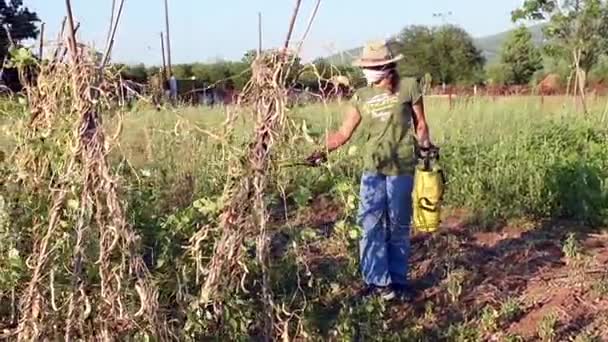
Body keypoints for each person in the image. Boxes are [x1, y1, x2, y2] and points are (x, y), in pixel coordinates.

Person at [306, 40, 432, 301]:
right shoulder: (361, 96)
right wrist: (320, 150)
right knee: (370, 224)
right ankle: (377, 282)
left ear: (386, 66)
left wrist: (425, 145)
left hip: (402, 167)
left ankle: (398, 281)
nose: (368, 71)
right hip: (373, 167)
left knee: (398, 224)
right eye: (366, 66)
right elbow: (343, 133)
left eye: (372, 66)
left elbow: (421, 124)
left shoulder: (409, 87)